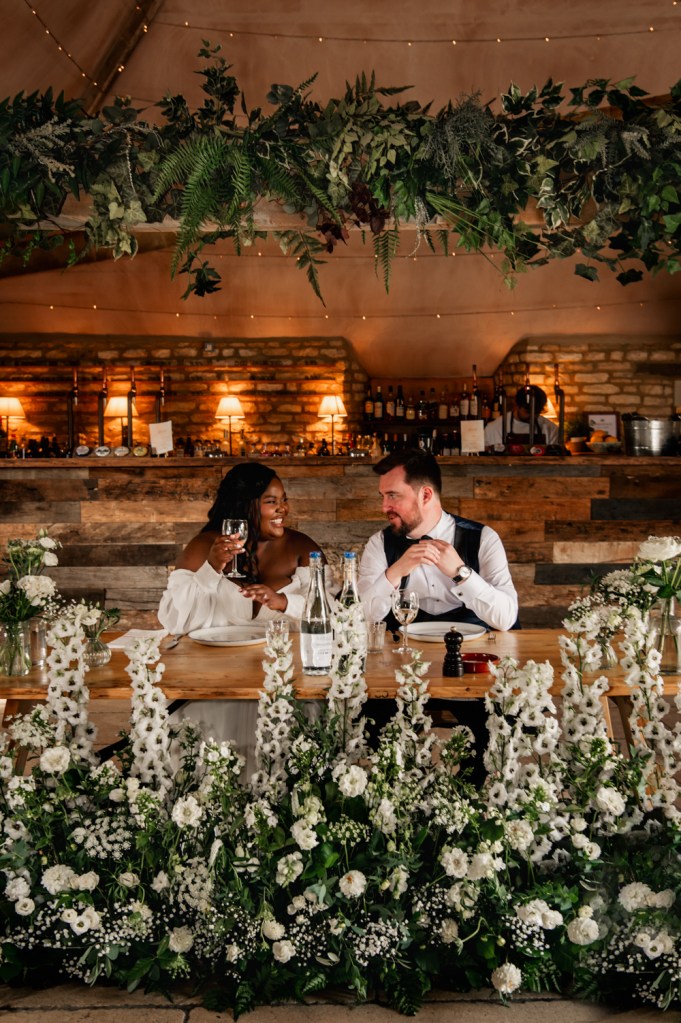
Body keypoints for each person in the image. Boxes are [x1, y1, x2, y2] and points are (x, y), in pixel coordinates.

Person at [358, 449, 519, 783]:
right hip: (398, 672)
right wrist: (397, 570)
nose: (384, 506)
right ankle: (396, 797)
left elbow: (506, 616)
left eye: (393, 496)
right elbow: (361, 615)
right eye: (383, 496)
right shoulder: (380, 544)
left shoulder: (483, 539)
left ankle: (466, 800)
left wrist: (461, 573)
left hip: (470, 669)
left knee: (495, 719)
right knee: (370, 714)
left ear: (425, 494)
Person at [157, 461, 329, 771]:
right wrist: (211, 568)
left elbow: (333, 617)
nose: (283, 509)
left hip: (287, 682)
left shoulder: (303, 548)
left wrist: (283, 602)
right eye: (271, 501)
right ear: (244, 505)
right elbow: (174, 621)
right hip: (217, 681)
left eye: (284, 500)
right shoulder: (203, 545)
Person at [484, 384, 559, 450]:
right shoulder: (494, 428)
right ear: (517, 405)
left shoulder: (550, 429)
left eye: (537, 412)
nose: (533, 416)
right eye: (528, 412)